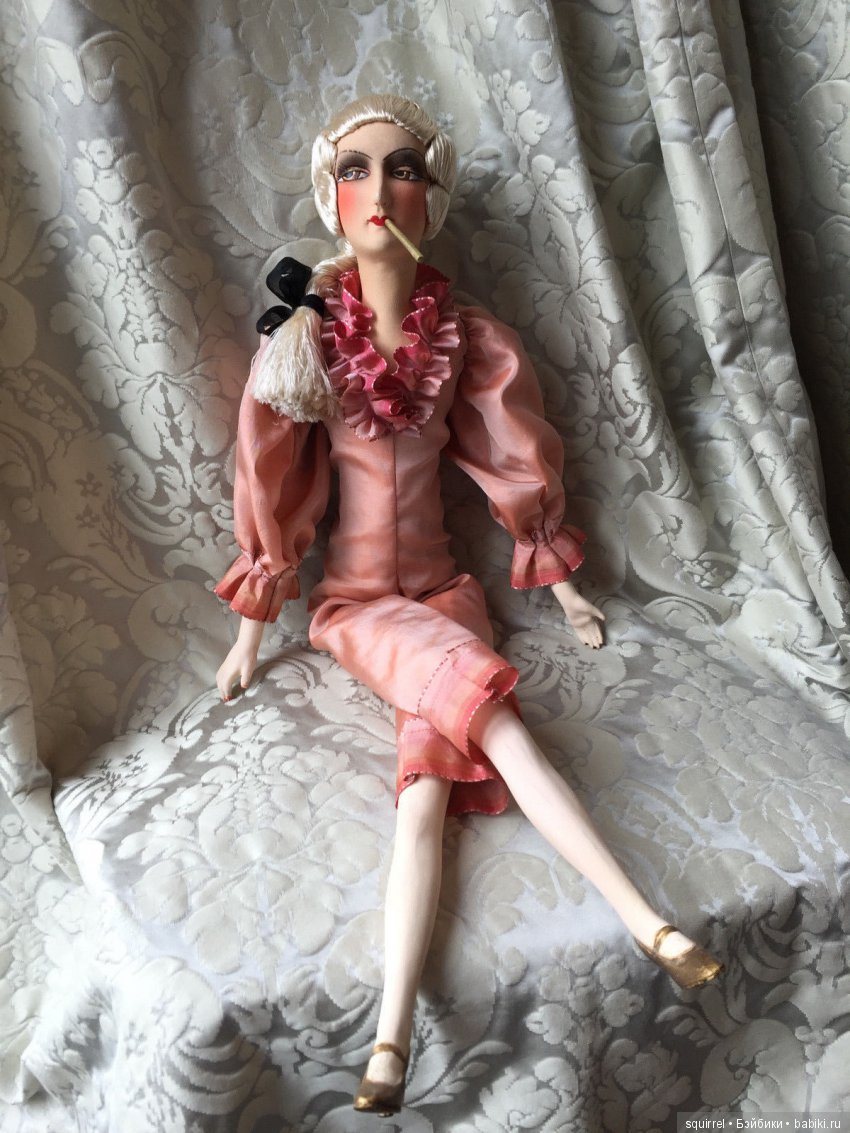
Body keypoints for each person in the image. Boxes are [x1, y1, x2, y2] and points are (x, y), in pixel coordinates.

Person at [215, 94, 722, 1118]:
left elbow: (507, 459)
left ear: (430, 198)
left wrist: (561, 580)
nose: (378, 189)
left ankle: (392, 1037)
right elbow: (275, 485)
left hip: (450, 593)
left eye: (402, 168)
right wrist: (249, 630)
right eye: (354, 170)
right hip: (360, 605)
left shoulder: (468, 334)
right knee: (496, 720)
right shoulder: (306, 338)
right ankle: (648, 922)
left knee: (424, 792)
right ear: (329, 195)